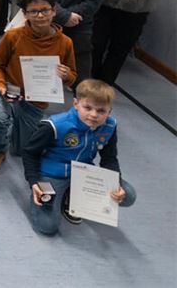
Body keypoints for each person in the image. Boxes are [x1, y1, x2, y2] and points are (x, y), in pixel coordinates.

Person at [0, 0, 78, 174]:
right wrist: (0, 87)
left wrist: (66, 76)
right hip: (9, 91)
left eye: (44, 10)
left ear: (54, 11)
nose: (40, 15)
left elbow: (72, 77)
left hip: (36, 100)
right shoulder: (12, 36)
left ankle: (16, 127)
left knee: (21, 150)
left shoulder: (65, 43)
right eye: (33, 11)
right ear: (25, 14)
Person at [22, 79, 136, 235]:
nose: (94, 115)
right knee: (47, 226)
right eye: (87, 107)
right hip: (54, 174)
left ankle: (71, 196)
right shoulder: (56, 125)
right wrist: (34, 182)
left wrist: (115, 182)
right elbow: (30, 152)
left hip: (84, 172)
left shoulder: (109, 126)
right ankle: (64, 196)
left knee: (127, 195)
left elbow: (109, 158)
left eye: (101, 111)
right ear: (76, 104)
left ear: (109, 111)